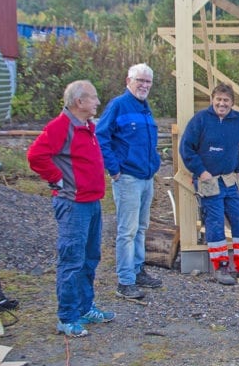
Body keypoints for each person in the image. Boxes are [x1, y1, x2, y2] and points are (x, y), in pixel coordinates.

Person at [27, 80, 115, 338]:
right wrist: (57, 178)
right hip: (73, 204)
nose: (98, 103)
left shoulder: (86, 126)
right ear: (80, 102)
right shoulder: (60, 127)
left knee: (90, 258)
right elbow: (35, 156)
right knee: (72, 259)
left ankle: (85, 308)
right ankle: (67, 317)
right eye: (94, 98)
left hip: (91, 201)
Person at [179, 83, 239, 285]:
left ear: (232, 103)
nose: (222, 104)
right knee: (214, 223)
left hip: (229, 179)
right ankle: (221, 267)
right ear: (212, 99)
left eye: (226, 100)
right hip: (209, 180)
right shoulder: (201, 120)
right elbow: (186, 148)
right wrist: (201, 172)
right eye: (219, 99)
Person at [96, 63, 162, 301]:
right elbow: (101, 136)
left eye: (148, 82)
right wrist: (113, 169)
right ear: (128, 81)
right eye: (140, 81)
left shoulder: (145, 108)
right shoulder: (118, 105)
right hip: (128, 178)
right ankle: (125, 281)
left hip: (145, 177)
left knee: (141, 227)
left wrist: (155, 162)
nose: (144, 85)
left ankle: (137, 269)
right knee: (127, 231)